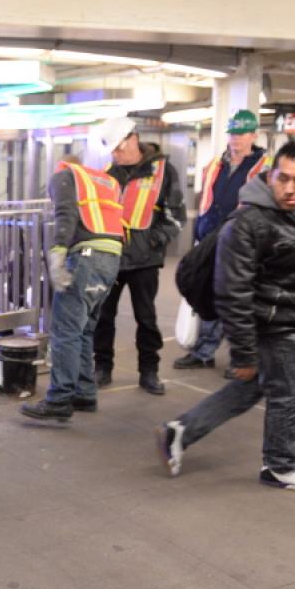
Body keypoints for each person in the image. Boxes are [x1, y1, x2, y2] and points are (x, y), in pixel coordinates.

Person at [157, 141, 295, 493]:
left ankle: (183, 431)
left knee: (251, 389)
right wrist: (244, 351)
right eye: (283, 179)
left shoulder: (293, 214)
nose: (291, 188)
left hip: (281, 317)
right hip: (270, 324)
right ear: (270, 175)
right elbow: (232, 290)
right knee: (290, 394)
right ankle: (280, 466)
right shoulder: (250, 221)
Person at [20, 154, 124, 422]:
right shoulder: (104, 181)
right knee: (85, 328)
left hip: (86, 257)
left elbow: (65, 215)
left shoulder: (64, 176)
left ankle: (59, 399)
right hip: (111, 258)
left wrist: (57, 254)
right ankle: (84, 393)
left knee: (65, 330)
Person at [91, 117, 186, 394]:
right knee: (104, 317)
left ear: (133, 139)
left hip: (145, 260)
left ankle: (149, 371)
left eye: (119, 148)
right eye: (112, 150)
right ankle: (103, 368)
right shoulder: (109, 173)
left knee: (146, 318)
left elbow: (176, 216)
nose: (116, 154)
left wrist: (155, 240)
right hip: (111, 258)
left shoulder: (162, 171)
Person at [174, 109, 271, 374]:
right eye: (233, 133)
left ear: (254, 135)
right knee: (209, 296)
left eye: (241, 134)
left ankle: (243, 359)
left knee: (240, 302)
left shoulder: (265, 168)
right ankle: (203, 352)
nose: (236, 139)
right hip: (211, 238)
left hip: (243, 242)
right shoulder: (215, 165)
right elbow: (206, 200)